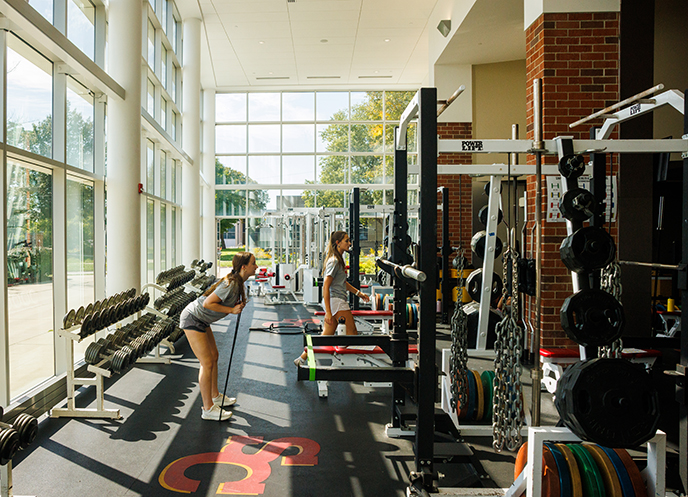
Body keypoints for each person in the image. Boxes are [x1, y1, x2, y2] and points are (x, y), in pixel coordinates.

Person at [180, 251, 258, 421]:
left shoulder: (238, 283)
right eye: (253, 263)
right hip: (193, 318)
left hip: (201, 319)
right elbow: (208, 303)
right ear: (244, 267)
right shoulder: (231, 283)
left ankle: (215, 396)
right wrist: (231, 309)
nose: (256, 266)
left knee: (214, 356)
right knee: (206, 362)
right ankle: (207, 408)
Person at [295, 231, 370, 366]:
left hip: (335, 301)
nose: (349, 243)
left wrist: (359, 293)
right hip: (336, 301)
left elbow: (342, 283)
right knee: (352, 333)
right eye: (346, 241)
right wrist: (329, 312)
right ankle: (355, 366)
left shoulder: (339, 259)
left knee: (326, 335)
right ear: (338, 243)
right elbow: (326, 286)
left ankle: (301, 358)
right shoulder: (334, 261)